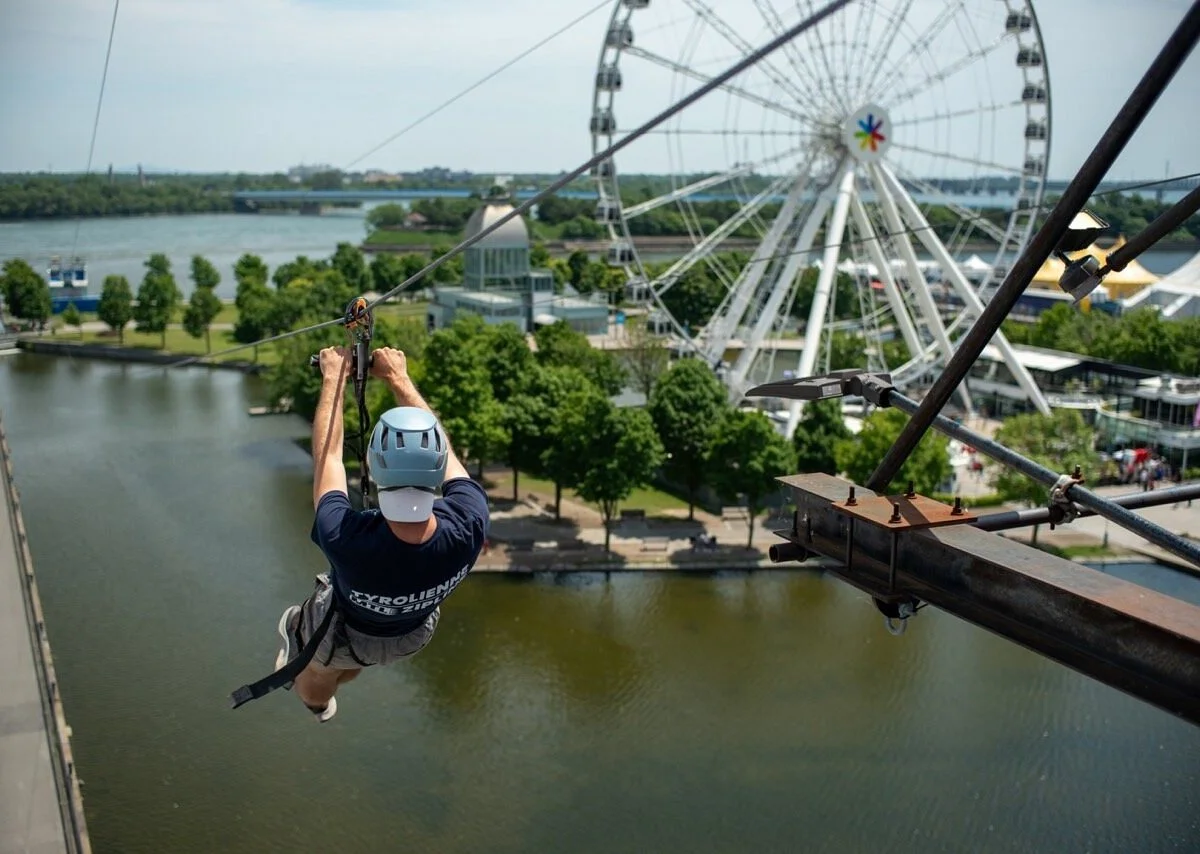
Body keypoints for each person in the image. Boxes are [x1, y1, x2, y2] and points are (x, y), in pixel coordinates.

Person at [274, 345, 490, 722]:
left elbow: (329, 456)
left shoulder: (346, 537)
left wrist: (333, 380)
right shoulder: (470, 522)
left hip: (344, 632)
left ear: (373, 467)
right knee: (359, 657)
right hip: (410, 635)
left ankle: (317, 703)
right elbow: (446, 453)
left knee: (318, 671)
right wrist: (399, 379)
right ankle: (341, 670)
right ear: (438, 466)